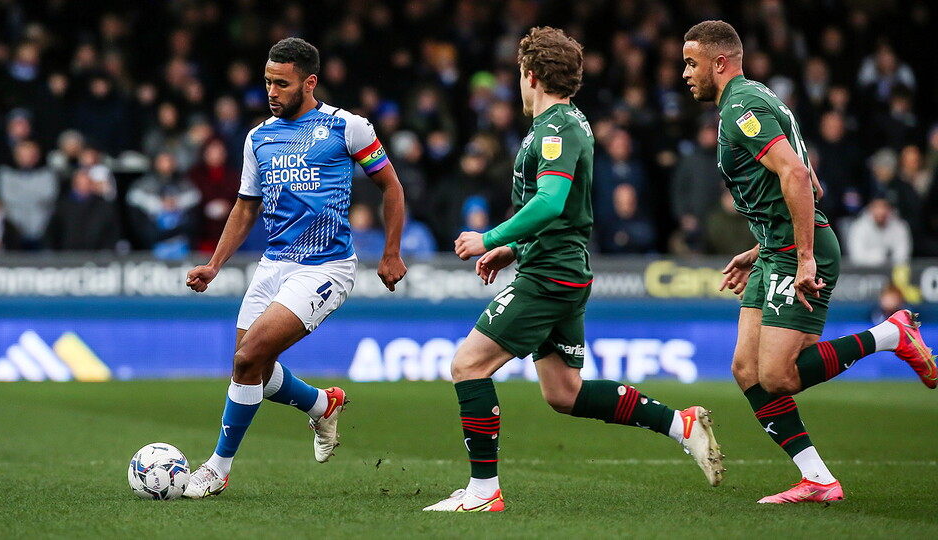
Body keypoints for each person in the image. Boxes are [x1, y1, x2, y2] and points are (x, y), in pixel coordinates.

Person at [424, 27, 724, 513]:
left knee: (467, 365)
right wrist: (515, 248)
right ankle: (680, 424)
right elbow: (559, 213)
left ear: (531, 75)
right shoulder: (565, 124)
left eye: (519, 76)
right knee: (564, 393)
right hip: (553, 267)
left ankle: (483, 492)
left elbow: (551, 201)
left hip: (549, 277)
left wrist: (492, 237)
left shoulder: (558, 128)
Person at [682, 20, 936, 505]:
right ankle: (817, 479)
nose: (685, 73)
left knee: (778, 375)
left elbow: (798, 176)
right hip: (774, 249)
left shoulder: (742, 108)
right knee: (746, 370)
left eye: (691, 63)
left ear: (719, 62)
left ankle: (891, 334)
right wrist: (759, 247)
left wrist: (802, 257)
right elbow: (809, 183)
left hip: (797, 252)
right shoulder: (760, 99)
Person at [183, 37, 407, 498]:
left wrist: (390, 252)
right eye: (267, 81)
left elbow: (391, 188)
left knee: (247, 360)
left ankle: (217, 468)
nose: (271, 91)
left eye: (281, 83)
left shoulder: (348, 128)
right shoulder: (258, 137)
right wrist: (215, 264)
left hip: (326, 269)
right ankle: (323, 405)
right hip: (273, 265)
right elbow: (246, 208)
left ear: (309, 82)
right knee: (254, 373)